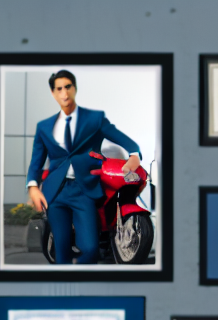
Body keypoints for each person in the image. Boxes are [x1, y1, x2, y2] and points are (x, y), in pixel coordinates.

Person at [24, 69, 144, 264]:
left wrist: (134, 155)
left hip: (84, 189)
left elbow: (126, 141)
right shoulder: (44, 127)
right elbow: (36, 162)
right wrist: (33, 186)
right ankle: (65, 290)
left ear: (75, 89)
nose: (64, 93)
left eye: (68, 87)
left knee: (90, 249)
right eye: (59, 89)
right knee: (62, 248)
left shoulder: (95, 119)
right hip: (55, 191)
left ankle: (80, 274)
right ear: (54, 93)